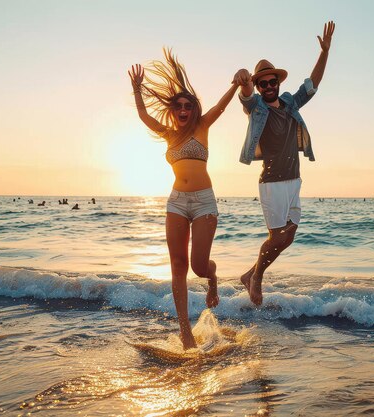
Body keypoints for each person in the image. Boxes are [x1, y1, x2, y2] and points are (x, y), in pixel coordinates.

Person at [129, 49, 239, 350]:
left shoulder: (202, 127)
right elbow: (142, 115)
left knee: (199, 267)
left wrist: (236, 83)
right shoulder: (167, 134)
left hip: (204, 202)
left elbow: (221, 106)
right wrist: (137, 89)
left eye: (187, 105)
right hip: (176, 202)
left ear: (193, 109)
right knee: (177, 266)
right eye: (177, 105)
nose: (182, 109)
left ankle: (212, 278)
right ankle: (186, 332)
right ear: (172, 109)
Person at [233, 21, 335, 306]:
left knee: (288, 236)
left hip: (294, 179)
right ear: (258, 85)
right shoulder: (257, 108)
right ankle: (256, 278)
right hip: (272, 182)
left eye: (271, 82)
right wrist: (244, 81)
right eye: (261, 83)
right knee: (276, 237)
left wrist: (325, 53)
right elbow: (245, 97)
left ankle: (251, 273)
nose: (267, 86)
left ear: (278, 83)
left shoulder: (290, 102)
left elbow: (312, 85)